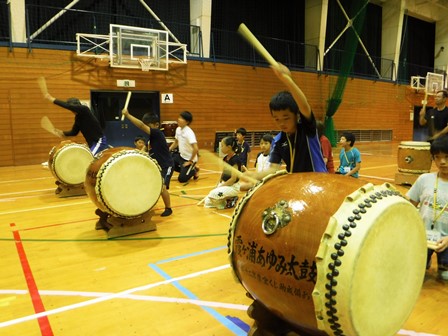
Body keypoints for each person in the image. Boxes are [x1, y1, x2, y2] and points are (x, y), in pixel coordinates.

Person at [246, 63, 327, 181]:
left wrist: (287, 80)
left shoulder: (307, 129)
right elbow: (273, 168)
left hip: (317, 182)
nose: (281, 123)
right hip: (296, 184)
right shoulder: (278, 140)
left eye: (286, 118)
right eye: (277, 119)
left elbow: (304, 105)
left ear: (297, 115)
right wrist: (253, 175)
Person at [406, 135, 448, 281]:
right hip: (423, 236)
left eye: (447, 157)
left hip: (446, 240)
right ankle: (426, 258)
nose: (442, 162)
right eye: (437, 157)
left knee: (445, 276)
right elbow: (409, 206)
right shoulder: (425, 179)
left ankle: (444, 262)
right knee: (415, 275)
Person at [122, 109, 174, 217]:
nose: (146, 128)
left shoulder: (157, 133)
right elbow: (144, 150)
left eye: (148, 126)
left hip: (166, 165)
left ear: (156, 124)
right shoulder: (151, 138)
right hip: (157, 166)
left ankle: (168, 208)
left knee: (162, 187)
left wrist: (128, 115)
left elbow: (140, 125)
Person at [44, 93, 108, 155]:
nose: (72, 110)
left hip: (99, 141)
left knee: (89, 159)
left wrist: (51, 99)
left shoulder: (85, 110)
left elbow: (69, 106)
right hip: (91, 143)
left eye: (73, 108)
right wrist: (62, 133)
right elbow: (74, 132)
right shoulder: (78, 119)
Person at [204, 136, 241, 209]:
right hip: (225, 184)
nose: (221, 148)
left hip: (232, 187)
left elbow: (233, 179)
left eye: (222, 146)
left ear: (229, 147)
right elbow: (223, 173)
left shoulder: (235, 160)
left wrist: (221, 186)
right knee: (207, 203)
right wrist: (218, 184)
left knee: (213, 194)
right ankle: (226, 199)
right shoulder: (225, 158)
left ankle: (230, 201)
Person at [169, 111, 199, 183]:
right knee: (169, 162)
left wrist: (190, 161)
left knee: (182, 179)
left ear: (187, 122)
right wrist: (168, 150)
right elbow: (176, 142)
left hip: (189, 159)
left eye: (182, 118)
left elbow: (196, 148)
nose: (179, 119)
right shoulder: (178, 129)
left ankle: (193, 170)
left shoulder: (189, 132)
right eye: (179, 117)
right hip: (181, 156)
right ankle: (191, 170)